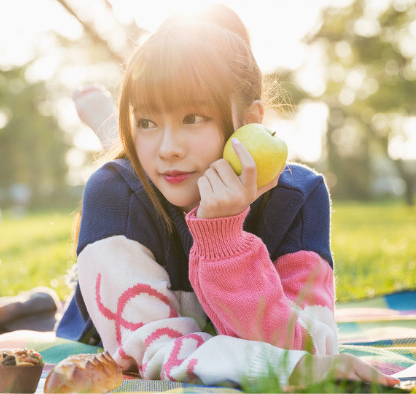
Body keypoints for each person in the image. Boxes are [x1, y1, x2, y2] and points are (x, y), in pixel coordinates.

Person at [56, 4, 399, 389]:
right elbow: (151, 349)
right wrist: (293, 370)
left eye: (193, 117)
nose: (169, 147)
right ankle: (115, 134)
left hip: (180, 197)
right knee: (128, 176)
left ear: (250, 123)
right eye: (147, 121)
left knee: (156, 165)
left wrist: (226, 242)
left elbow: (309, 345)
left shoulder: (300, 196)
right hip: (98, 304)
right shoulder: (113, 195)